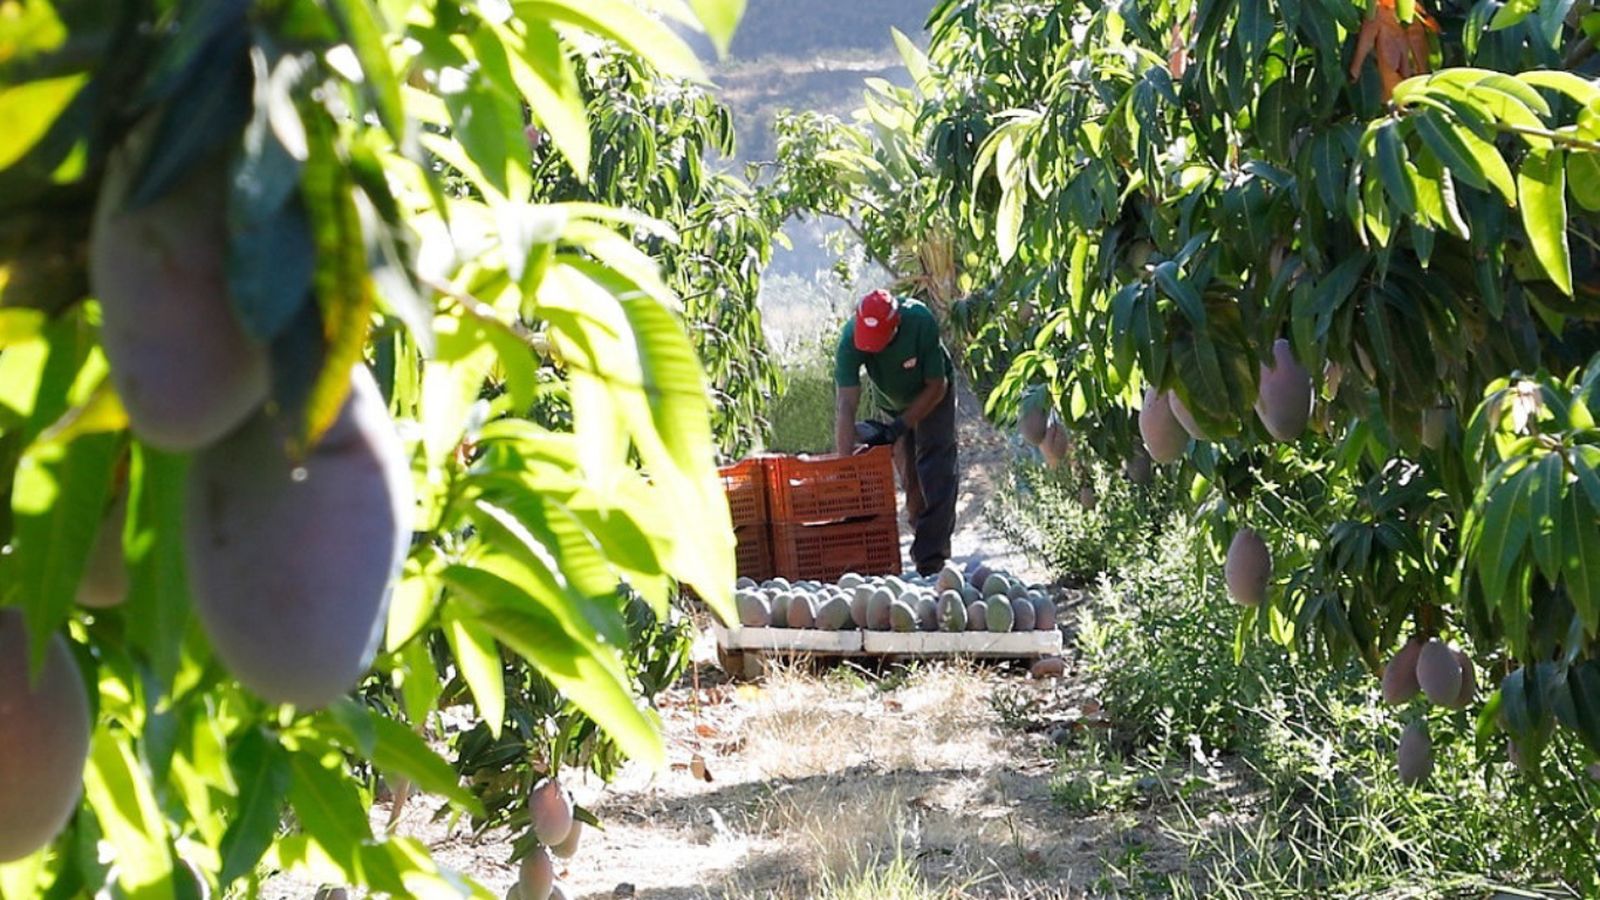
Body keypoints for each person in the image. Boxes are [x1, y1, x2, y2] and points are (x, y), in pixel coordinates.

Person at [833, 289, 959, 576]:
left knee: (936, 469)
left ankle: (931, 559)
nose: (873, 349)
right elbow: (845, 405)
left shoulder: (919, 320)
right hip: (892, 404)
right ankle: (922, 535)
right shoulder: (850, 339)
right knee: (911, 479)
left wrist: (901, 427)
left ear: (896, 324)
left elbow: (936, 386)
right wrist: (844, 470)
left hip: (933, 396)